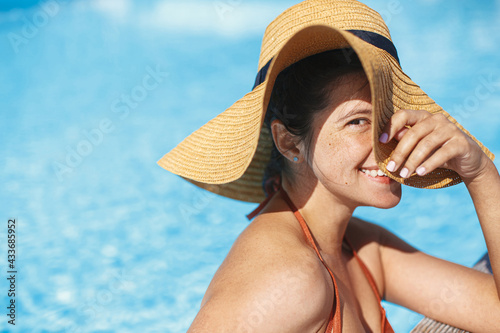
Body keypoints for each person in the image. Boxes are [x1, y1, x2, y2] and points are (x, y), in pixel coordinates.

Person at [158, 0, 500, 332]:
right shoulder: (288, 278)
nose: (388, 139)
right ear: (289, 142)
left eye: (388, 114)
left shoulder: (359, 247)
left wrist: (480, 173)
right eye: (357, 122)